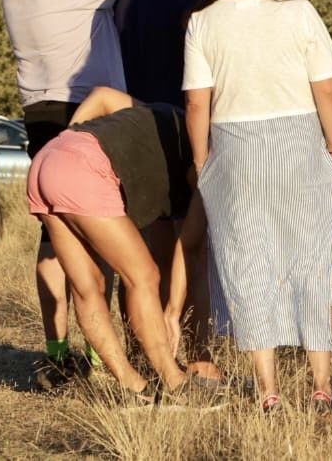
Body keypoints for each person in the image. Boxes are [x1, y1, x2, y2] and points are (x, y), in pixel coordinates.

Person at [184, 0, 332, 416]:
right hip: (300, 143)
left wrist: (201, 164)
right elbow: (326, 91)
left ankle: (268, 391)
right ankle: (322, 387)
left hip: (234, 150)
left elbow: (197, 104)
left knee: (246, 263)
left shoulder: (204, 20)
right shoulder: (300, 13)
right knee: (311, 261)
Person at [0, 0, 152, 390]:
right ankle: (103, 351)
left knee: (56, 239)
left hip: (40, 113)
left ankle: (57, 350)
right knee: (104, 236)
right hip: (89, 113)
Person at [24, 86, 224, 405]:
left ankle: (135, 388)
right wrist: (172, 313)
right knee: (143, 277)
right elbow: (191, 248)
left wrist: (72, 138)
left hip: (48, 158)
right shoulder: (209, 156)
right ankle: (174, 383)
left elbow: (103, 96)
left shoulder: (162, 115)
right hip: (84, 167)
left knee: (87, 287)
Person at [110, 0, 220, 377]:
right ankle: (195, 355)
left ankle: (145, 353)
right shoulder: (195, 2)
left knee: (136, 255)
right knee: (186, 250)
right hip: (178, 129)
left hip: (129, 129)